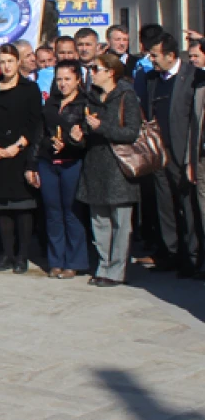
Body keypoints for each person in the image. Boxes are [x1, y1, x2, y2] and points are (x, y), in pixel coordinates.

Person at [0, 44, 42, 274]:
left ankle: (22, 256)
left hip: (19, 155)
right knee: (1, 208)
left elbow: (35, 124)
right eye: (2, 62)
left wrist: (18, 146)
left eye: (10, 61)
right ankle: (7, 254)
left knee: (22, 209)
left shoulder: (29, 88)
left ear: (18, 61)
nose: (6, 66)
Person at [77, 53, 141, 286]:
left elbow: (131, 132)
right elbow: (86, 129)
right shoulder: (91, 96)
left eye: (96, 69)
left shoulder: (126, 96)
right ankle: (103, 266)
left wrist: (102, 127)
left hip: (118, 167)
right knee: (100, 221)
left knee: (121, 222)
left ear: (110, 72)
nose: (92, 73)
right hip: (95, 166)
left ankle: (117, 270)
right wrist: (81, 132)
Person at [139, 32, 200, 275]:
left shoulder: (192, 76)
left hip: (182, 152)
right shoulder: (153, 79)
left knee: (187, 206)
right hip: (159, 152)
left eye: (155, 55)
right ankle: (170, 253)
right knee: (165, 206)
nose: (151, 59)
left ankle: (192, 257)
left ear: (170, 55)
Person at [32, 60, 89, 279]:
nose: (63, 84)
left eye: (67, 79)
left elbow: (85, 137)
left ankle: (74, 261)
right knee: (53, 213)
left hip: (72, 163)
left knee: (72, 213)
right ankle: (56, 260)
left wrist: (69, 142)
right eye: (59, 79)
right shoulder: (51, 104)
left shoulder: (84, 104)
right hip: (49, 164)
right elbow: (40, 134)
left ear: (77, 80)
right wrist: (33, 162)